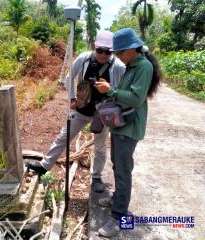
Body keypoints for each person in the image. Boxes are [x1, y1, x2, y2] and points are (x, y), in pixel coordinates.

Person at [25, 30, 125, 193]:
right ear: (95, 46)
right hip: (81, 110)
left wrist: (111, 91)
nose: (103, 55)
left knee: (100, 147)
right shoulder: (84, 58)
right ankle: (44, 166)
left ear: (112, 51)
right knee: (63, 138)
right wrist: (72, 98)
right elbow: (69, 77)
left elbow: (122, 89)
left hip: (102, 113)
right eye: (100, 50)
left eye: (107, 52)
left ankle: (96, 177)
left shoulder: (118, 67)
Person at [95, 28, 161, 237]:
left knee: (123, 171)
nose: (119, 57)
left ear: (133, 48)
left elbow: (134, 98)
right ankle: (117, 199)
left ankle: (118, 217)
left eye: (121, 52)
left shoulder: (143, 67)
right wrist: (110, 90)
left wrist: (111, 91)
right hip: (121, 124)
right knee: (118, 165)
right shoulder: (132, 65)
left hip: (129, 128)